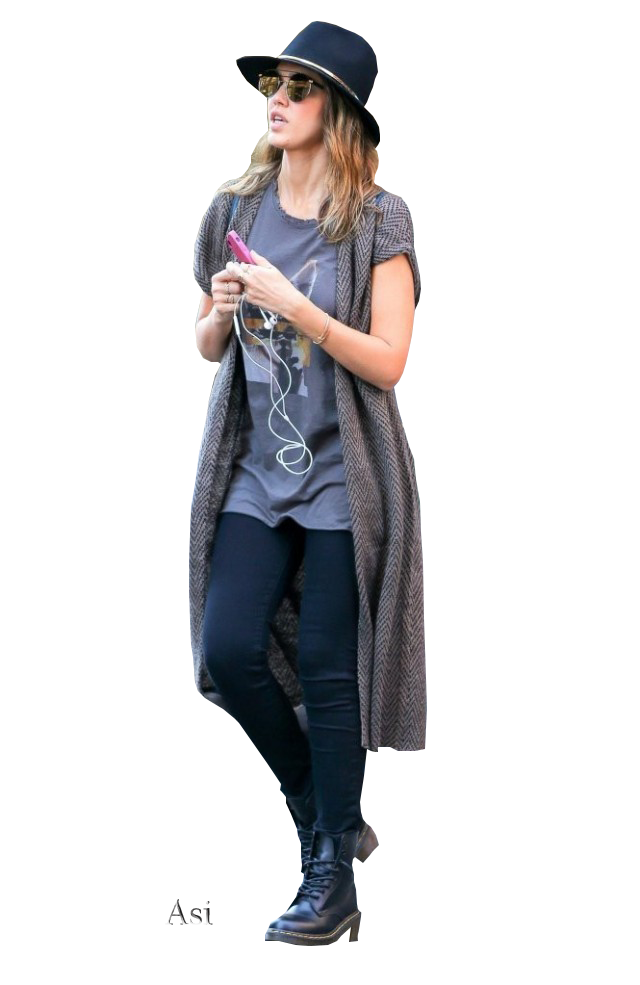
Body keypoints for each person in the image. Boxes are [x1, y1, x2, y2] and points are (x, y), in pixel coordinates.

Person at [190, 21, 426, 946]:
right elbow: (207, 345)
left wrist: (301, 310)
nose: (278, 100)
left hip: (343, 477)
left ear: (341, 112)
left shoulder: (378, 221)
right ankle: (327, 816)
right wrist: (220, 313)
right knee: (225, 648)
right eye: (274, 85)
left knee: (331, 672)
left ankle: (331, 883)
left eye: (300, 87)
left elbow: (392, 360)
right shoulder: (236, 209)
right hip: (255, 474)